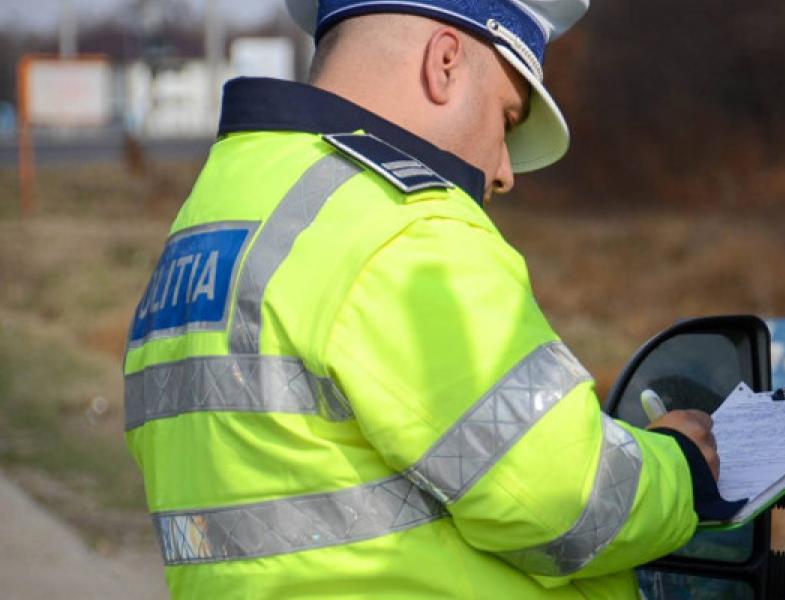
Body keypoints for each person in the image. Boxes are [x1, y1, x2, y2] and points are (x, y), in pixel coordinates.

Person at [122, 1, 741, 598]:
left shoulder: (218, 211)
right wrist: (682, 466)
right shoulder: (400, 227)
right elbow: (563, 495)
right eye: (506, 119)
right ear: (444, 63)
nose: (504, 172)